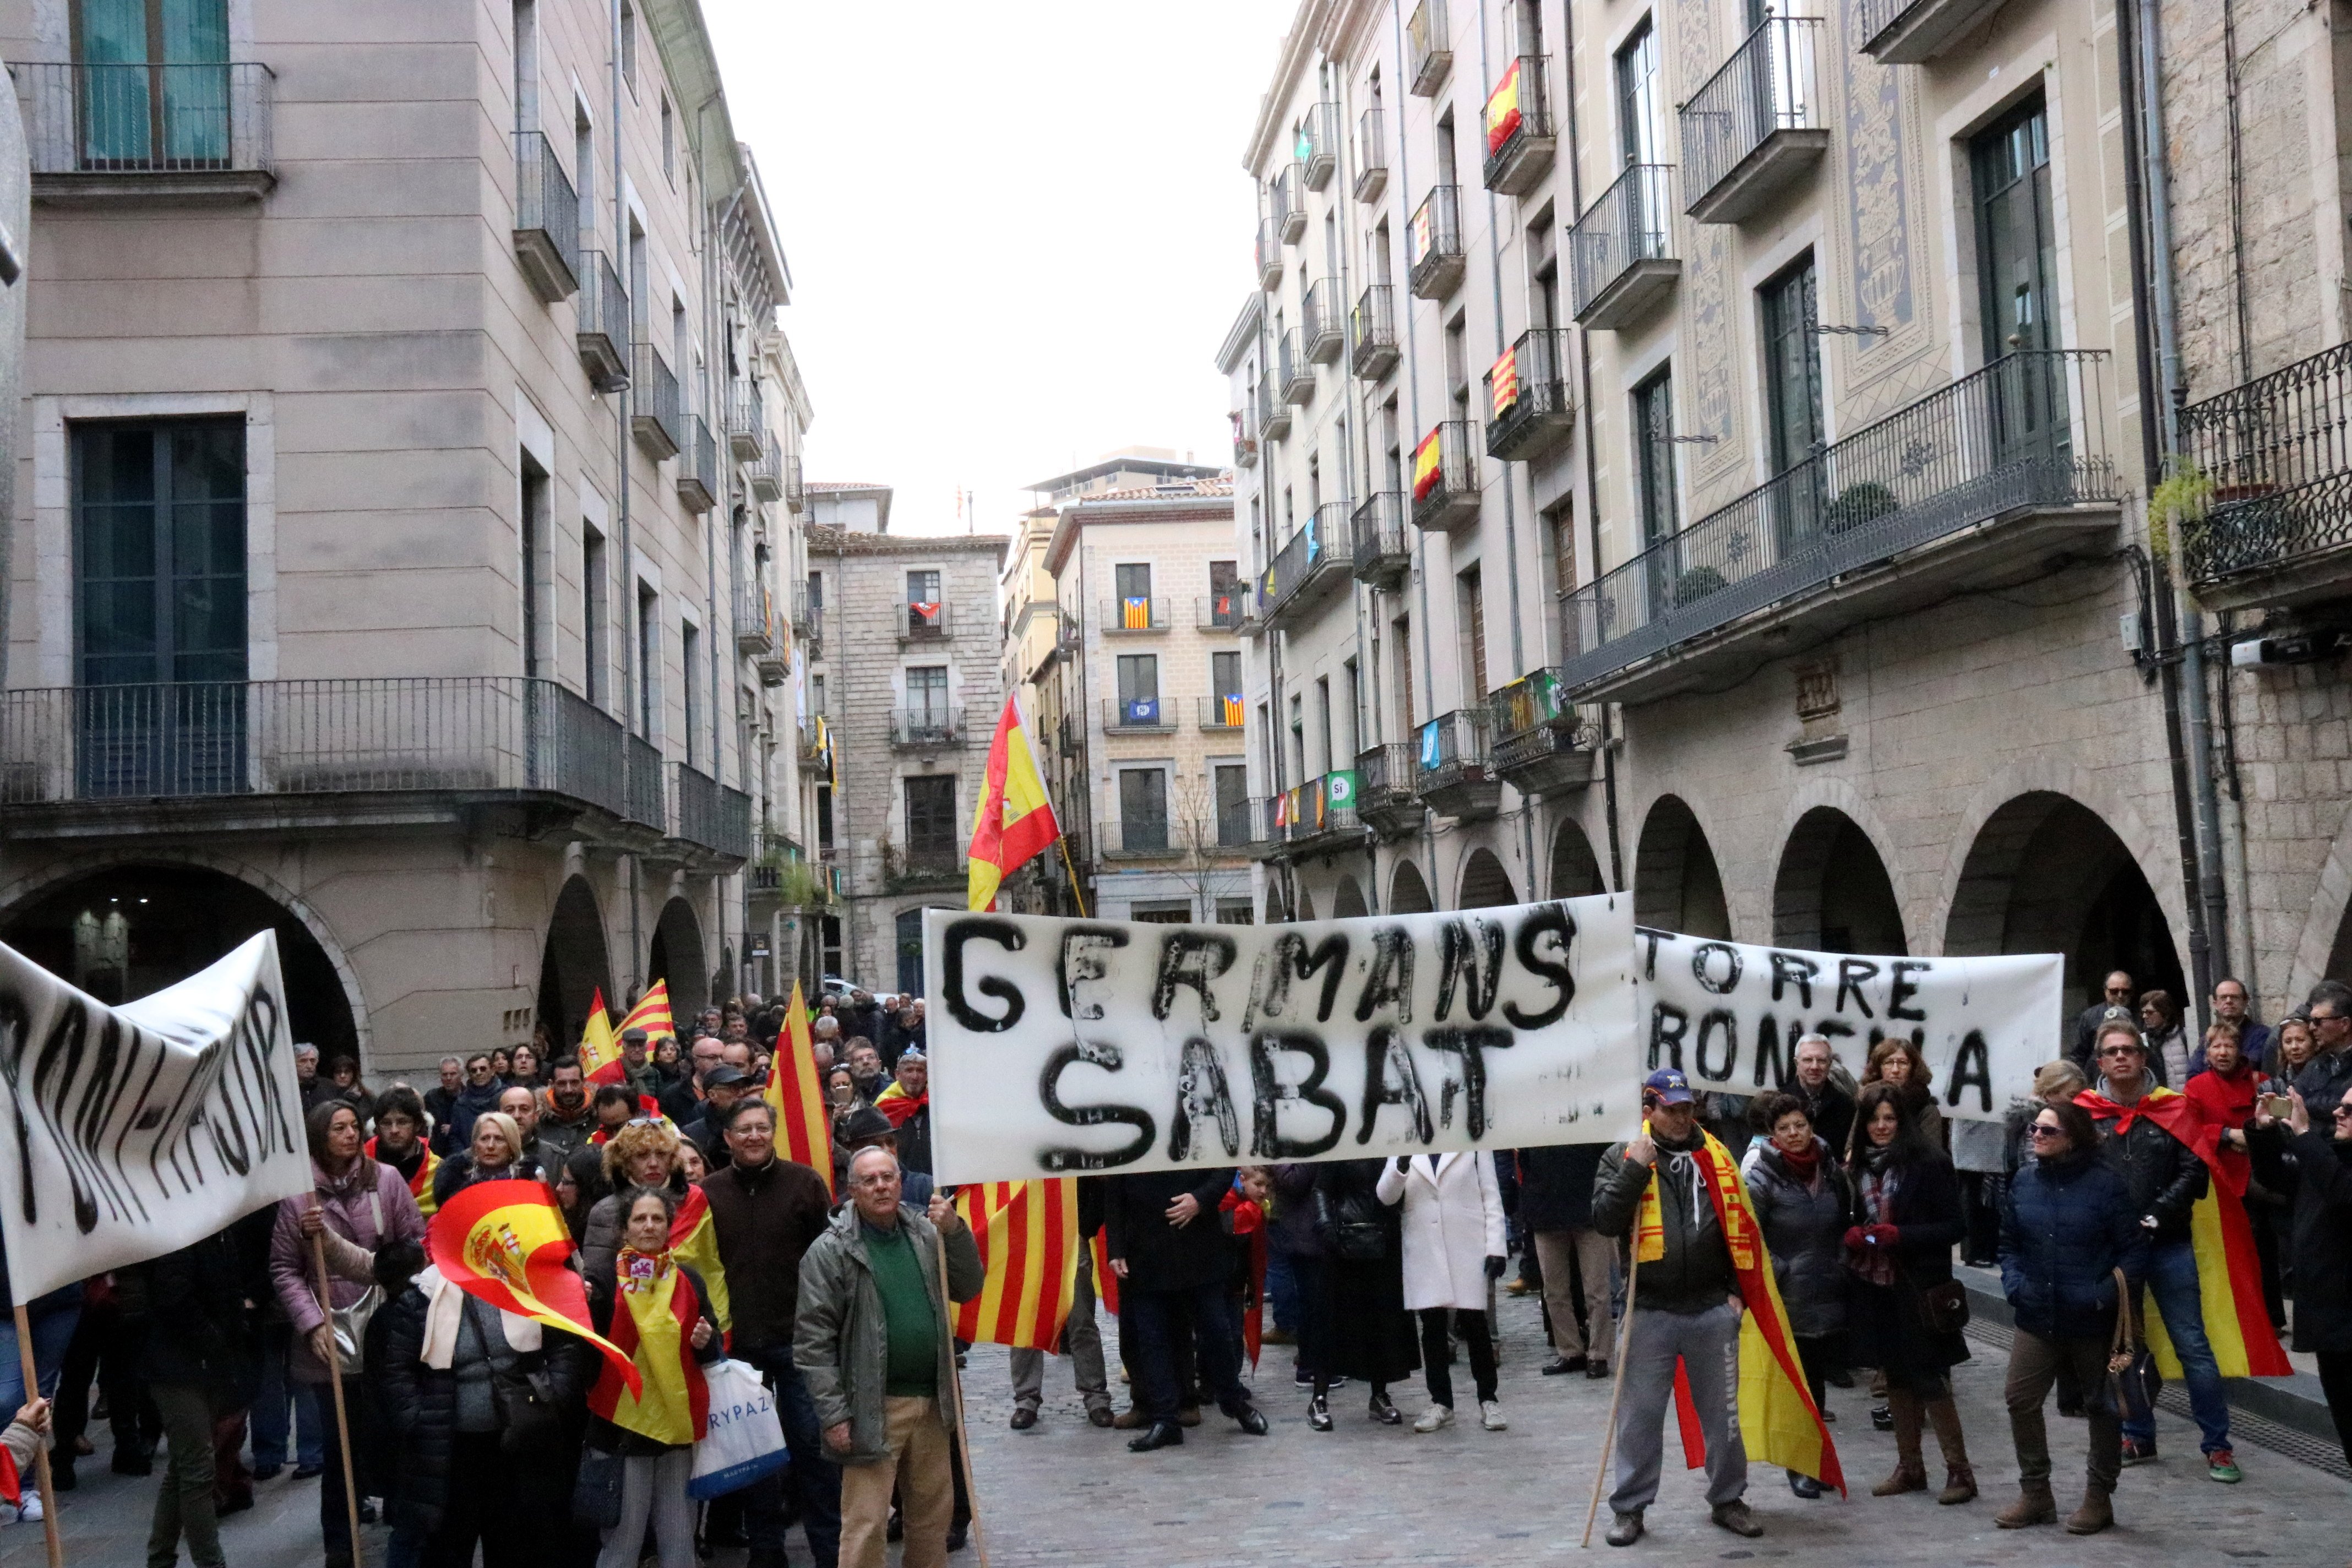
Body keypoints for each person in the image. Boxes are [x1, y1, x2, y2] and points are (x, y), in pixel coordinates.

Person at [1591, 1069, 1762, 1547]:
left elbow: (1741, 1226)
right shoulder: (1621, 1156)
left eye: (1687, 1107)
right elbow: (1605, 1220)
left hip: (1711, 1307)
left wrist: (1737, 1292)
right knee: (1639, 1419)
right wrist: (1634, 1169)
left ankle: (1728, 1499)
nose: (1682, 1116)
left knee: (1724, 1416)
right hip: (1650, 1309)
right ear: (1649, 1112)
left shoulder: (1718, 1157)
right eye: (1671, 1109)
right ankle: (1630, 1509)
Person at [796, 1146, 983, 1568]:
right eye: (870, 1180)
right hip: (870, 1406)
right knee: (865, 1525)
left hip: (933, 1403)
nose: (881, 1186)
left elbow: (968, 1286)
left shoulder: (925, 1233)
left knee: (932, 1522)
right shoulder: (830, 1252)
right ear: (852, 1191)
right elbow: (812, 1344)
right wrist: (834, 1414)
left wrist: (955, 1231)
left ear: (901, 1182)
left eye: (888, 1177)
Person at [2077, 1018, 2240, 1478]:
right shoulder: (2085, 1113)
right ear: (2101, 1061)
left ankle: (2217, 1444)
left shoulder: (2175, 1108)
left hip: (2167, 1243)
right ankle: (2139, 1434)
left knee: (2192, 1344)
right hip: (2114, 1252)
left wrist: (2155, 1215)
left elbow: (2195, 1172)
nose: (2122, 1057)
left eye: (2130, 1049)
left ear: (2143, 1057)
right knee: (2126, 1345)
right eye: (2113, 1052)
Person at [269, 1101, 427, 1568]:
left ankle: (401, 1519)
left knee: (395, 1427)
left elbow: (413, 1247)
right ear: (320, 1135)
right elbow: (284, 1269)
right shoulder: (299, 1196)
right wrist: (311, 1322)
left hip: (387, 1329)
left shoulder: (387, 1181)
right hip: (330, 1333)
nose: (350, 1134)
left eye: (355, 1126)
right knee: (341, 1444)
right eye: (338, 1128)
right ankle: (340, 1541)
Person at [374, 1234, 589, 1568]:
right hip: (449, 1448)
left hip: (516, 1442)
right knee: (449, 1549)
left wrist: (555, 1396)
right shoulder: (422, 1297)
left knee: (513, 1548)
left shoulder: (525, 1285)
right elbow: (397, 1370)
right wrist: (416, 1418)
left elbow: (563, 1346)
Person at [699, 1098, 840, 1568]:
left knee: (814, 1452)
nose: (754, 1136)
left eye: (763, 1128)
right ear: (728, 1138)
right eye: (745, 1130)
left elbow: (831, 1260)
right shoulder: (709, 1193)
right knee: (756, 1456)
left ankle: (830, 1550)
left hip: (800, 1343)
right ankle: (766, 1549)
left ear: (774, 1132)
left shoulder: (806, 1183)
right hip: (740, 1350)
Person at [1995, 1098, 2144, 1534]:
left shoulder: (2106, 1185)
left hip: (2093, 1321)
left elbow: (2134, 1252)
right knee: (2020, 1399)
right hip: (2037, 1313)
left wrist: (2101, 1296)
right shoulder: (2023, 1181)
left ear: (2073, 1137)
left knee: (2103, 1407)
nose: (2037, 1137)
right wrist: (2015, 1285)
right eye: (2034, 1130)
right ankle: (2036, 1493)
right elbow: (2009, 1245)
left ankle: (2099, 1498)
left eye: (2048, 1131)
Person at [1845, 1081, 1975, 1504]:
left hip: (1919, 1286)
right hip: (1878, 1285)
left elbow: (1955, 1227)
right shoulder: (1859, 1167)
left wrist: (1901, 1235)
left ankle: (1960, 1471)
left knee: (1928, 1376)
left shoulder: (1929, 1163)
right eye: (1874, 1120)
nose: (1882, 1127)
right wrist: (1853, 1236)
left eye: (1890, 1119)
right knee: (1896, 1375)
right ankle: (1910, 1466)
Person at [585, 1186, 722, 1568]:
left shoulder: (690, 1281)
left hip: (677, 1432)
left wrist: (706, 1341)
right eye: (640, 1219)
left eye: (657, 1218)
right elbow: (585, 1347)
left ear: (670, 1226)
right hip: (622, 1434)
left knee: (680, 1545)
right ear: (624, 1229)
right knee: (622, 1546)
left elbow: (711, 1351)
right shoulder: (602, 1281)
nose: (649, 1226)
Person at [1103, 1167, 1270, 1451]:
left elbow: (1223, 1165)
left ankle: (1233, 1402)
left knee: (1217, 1334)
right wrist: (1116, 1246)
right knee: (1153, 1341)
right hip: (1146, 1247)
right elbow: (1114, 1186)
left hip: (1198, 1244)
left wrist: (1200, 1199)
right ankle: (1165, 1420)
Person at [121, 1226, 250, 1568]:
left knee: (184, 1466)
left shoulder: (217, 1229)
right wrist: (215, 1340)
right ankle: (211, 1563)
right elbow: (174, 1299)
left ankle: (160, 1558)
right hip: (177, 1368)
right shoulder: (182, 1232)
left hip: (201, 1364)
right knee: (197, 1470)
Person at [1743, 1091, 1851, 1499]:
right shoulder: (1761, 1178)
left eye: (1800, 1125)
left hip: (1828, 1287)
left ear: (1812, 1127)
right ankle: (1799, 1464)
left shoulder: (1830, 1170)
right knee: (1796, 1383)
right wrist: (1782, 1271)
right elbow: (1749, 1237)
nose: (1794, 1134)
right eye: (1784, 1128)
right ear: (1772, 1134)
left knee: (1817, 1380)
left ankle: (1818, 1458)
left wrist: (1842, 1261)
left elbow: (1846, 1219)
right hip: (1788, 1294)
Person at [2250, 1087, 2352, 1467]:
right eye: (2341, 1105)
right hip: (2329, 1319)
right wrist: (2264, 1134)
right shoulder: (2330, 1154)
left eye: (2349, 1109)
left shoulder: (2325, 1156)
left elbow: (2343, 1194)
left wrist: (2306, 1136)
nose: (2339, 1113)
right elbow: (2278, 1180)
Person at [1376, 1152, 1507, 1433]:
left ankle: (1488, 1398)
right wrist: (1400, 1166)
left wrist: (1496, 1245)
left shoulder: (1472, 1139)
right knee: (1432, 1327)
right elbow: (1385, 1195)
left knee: (1475, 1324)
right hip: (1424, 1243)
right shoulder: (1405, 1141)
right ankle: (1441, 1402)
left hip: (1467, 1240)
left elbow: (1490, 1193)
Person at [1009, 1177, 1112, 1430]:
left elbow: (1097, 1184)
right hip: (1028, 1236)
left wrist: (1084, 1228)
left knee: (1082, 1320)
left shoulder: (1074, 1141)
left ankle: (1096, 1397)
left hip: (1071, 1233)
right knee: (1026, 1322)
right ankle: (1026, 1399)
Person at [1516, 1142, 1614, 1379]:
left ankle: (1598, 1354)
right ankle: (1571, 1351)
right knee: (1554, 1289)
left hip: (1587, 1204)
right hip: (1547, 1206)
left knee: (1597, 1289)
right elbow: (1524, 1162)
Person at [583, 1120, 691, 1286]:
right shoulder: (606, 1211)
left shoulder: (692, 1200)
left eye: (661, 1154)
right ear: (624, 1161)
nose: (654, 1163)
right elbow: (597, 1279)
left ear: (672, 1159)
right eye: (642, 1155)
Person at [1856, 1037, 1945, 1152]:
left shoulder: (1927, 1111)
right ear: (1878, 1068)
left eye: (1903, 1063)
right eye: (1888, 1063)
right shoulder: (1867, 1103)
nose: (1895, 1070)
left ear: (1913, 1069)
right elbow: (1852, 1149)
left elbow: (1933, 1157)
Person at [366, 1086, 442, 1218]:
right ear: (377, 1127)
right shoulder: (360, 1165)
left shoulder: (438, 1170)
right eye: (386, 1123)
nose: (394, 1130)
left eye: (402, 1122)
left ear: (417, 1125)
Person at [432, 1110, 537, 1205]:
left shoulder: (530, 1184)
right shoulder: (455, 1186)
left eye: (499, 1139)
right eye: (484, 1139)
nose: (491, 1146)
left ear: (512, 1145)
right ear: (475, 1145)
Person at [1788, 1033, 1856, 1162]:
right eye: (1808, 1060)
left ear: (1830, 1064)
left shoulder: (1846, 1105)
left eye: (1821, 1061)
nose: (1815, 1067)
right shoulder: (1780, 1102)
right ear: (1797, 1063)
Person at [677, 1064, 753, 1167]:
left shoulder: (757, 1127)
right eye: (732, 1088)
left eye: (743, 1088)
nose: (741, 1093)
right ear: (713, 1095)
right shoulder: (693, 1133)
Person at [2296, 982, 2352, 1119]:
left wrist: (2305, 1106)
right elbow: (2294, 1106)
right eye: (2310, 1020)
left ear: (2344, 1024)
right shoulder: (2314, 1066)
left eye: (2318, 1021)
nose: (2311, 1027)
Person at [874, 1049, 931, 1176]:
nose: (915, 1077)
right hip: (899, 1179)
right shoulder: (884, 1106)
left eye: (920, 1071)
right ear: (897, 1074)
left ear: (927, 1075)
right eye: (909, 1070)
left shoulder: (937, 1103)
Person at [536, 1059, 597, 1173]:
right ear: (552, 1084)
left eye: (574, 1083)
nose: (568, 1090)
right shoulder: (537, 1120)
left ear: (583, 1082)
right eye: (562, 1084)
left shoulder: (599, 1116)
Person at [2071, 971, 2136, 1068]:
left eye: (2125, 991)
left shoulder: (2141, 1015)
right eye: (2114, 991)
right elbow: (2078, 1054)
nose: (2120, 995)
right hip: (2097, 1075)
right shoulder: (2090, 1016)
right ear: (2105, 991)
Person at [2207, 979, 2272, 1075]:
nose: (2229, 1001)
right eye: (2224, 997)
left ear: (2245, 1002)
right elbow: (2193, 1072)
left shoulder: (2262, 1035)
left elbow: (2251, 1065)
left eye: (2234, 997)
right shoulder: (2209, 1037)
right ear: (2215, 1004)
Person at [445, 1054, 504, 1152]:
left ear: (493, 1070)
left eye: (483, 1069)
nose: (478, 1073)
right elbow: (454, 1137)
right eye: (474, 1070)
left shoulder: (505, 1097)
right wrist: (464, 1157)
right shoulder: (461, 1103)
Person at [2139, 989, 2190, 1088]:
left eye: (2150, 1012)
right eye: (2143, 1012)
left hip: (2184, 1098)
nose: (2145, 1016)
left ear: (2165, 1013)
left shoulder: (2184, 1036)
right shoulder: (2141, 1040)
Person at [422, 1058, 465, 1155]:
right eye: (445, 1075)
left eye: (453, 1074)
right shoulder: (432, 1097)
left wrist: (454, 1129)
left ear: (461, 1075)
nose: (449, 1078)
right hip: (437, 1152)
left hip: (461, 1152)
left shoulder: (469, 1098)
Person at [843, 1040, 886, 1104]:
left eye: (871, 1058)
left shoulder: (892, 1090)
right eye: (859, 1059)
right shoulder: (845, 1089)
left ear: (880, 1065)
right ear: (851, 1068)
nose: (866, 1062)